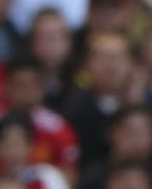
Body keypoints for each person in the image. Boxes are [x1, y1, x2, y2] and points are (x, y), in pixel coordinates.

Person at [0, 56, 79, 176]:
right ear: (6, 86)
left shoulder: (58, 129)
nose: (26, 91)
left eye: (32, 84)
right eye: (20, 85)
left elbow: (68, 174)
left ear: (42, 87)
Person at [60, 32, 140, 167]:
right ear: (87, 64)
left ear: (132, 64)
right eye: (103, 58)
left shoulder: (143, 104)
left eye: (119, 58)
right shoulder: (74, 108)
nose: (111, 66)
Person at [75, 104, 152, 189]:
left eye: (145, 132)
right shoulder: (92, 179)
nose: (138, 140)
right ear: (112, 133)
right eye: (131, 132)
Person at [27, 9, 78, 111]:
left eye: (53, 38)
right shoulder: (20, 82)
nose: (47, 45)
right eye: (41, 38)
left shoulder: (82, 81)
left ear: (68, 42)